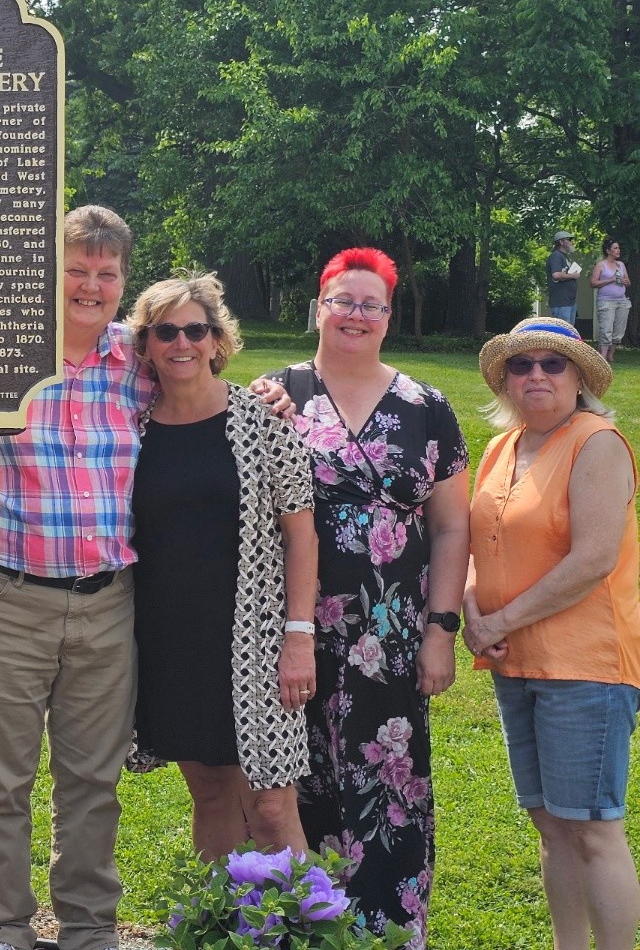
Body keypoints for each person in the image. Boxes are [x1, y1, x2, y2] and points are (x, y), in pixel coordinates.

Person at [0, 206, 292, 950]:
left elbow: (201, 393)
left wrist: (266, 394)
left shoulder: (138, 365)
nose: (90, 285)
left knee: (91, 784)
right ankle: (4, 926)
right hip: (0, 597)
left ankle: (87, 930)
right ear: (47, 270)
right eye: (76, 269)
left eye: (106, 274)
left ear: (122, 282)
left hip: (107, 604)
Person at [270, 247, 469, 950]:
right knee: (303, 780)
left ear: (388, 317)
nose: (355, 314)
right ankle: (306, 929)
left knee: (392, 780)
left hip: (393, 637)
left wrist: (440, 629)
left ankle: (390, 933)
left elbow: (450, 527)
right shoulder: (276, 395)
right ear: (318, 308)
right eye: (342, 300)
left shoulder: (426, 407)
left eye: (370, 304)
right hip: (295, 634)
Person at [124, 272, 318, 860]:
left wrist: (299, 636)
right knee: (209, 793)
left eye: (195, 330)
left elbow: (301, 537)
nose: (181, 343)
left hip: (257, 642)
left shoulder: (263, 422)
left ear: (217, 340)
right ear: (147, 345)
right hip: (170, 641)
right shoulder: (132, 428)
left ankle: (310, 933)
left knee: (272, 806)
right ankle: (222, 929)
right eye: (166, 331)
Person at [466, 316, 640, 950]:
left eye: (552, 364)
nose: (536, 374)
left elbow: (592, 560)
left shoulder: (597, 442)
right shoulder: (501, 449)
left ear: (579, 377)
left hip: (585, 665)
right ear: (507, 380)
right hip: (518, 663)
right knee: (549, 823)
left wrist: (499, 621)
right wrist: (471, 610)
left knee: (593, 827)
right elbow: (479, 542)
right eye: (522, 365)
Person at [590, 237, 630, 362]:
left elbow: (628, 282)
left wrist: (625, 281)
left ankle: (611, 355)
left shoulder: (621, 265)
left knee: (618, 331)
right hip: (606, 301)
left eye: (618, 248)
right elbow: (593, 283)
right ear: (608, 251)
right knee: (606, 329)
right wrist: (610, 280)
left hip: (622, 301)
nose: (618, 250)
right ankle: (602, 357)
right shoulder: (601, 265)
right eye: (615, 248)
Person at [547, 230, 580, 325]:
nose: (571, 242)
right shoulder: (556, 256)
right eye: (569, 239)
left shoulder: (565, 257)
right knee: (563, 332)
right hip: (561, 302)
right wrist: (573, 275)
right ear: (561, 242)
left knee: (569, 331)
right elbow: (556, 275)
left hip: (569, 302)